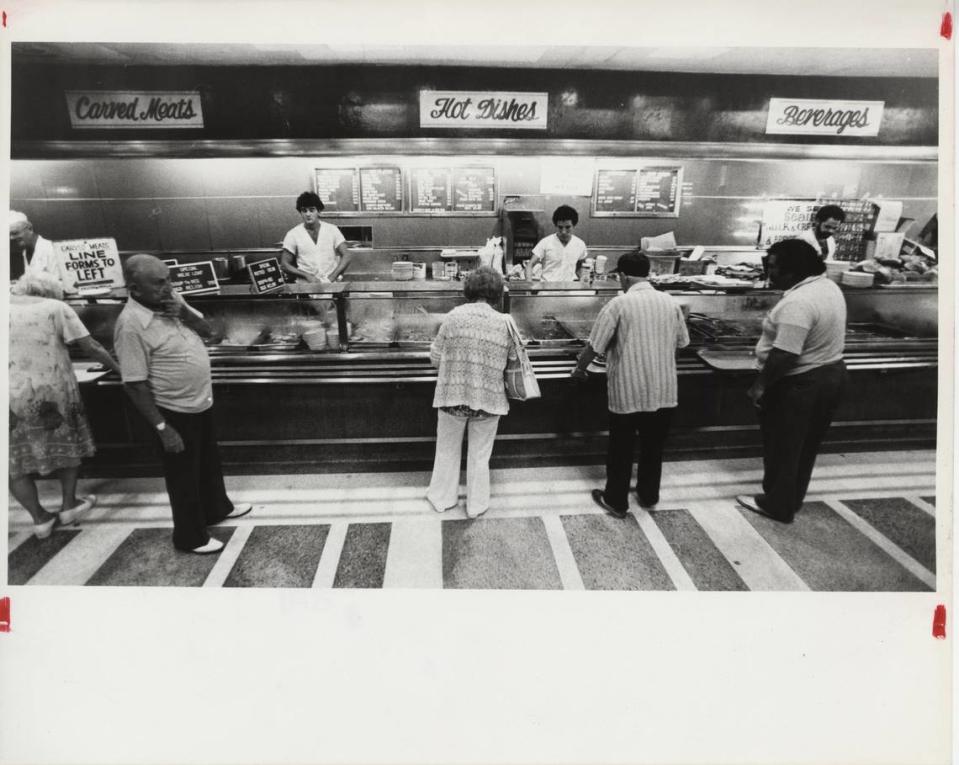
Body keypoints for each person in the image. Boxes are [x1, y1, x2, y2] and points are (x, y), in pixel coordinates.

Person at [114, 254, 252, 554]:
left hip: (199, 400)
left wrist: (184, 313)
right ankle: (190, 537)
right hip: (171, 411)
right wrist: (163, 428)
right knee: (183, 477)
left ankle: (217, 508)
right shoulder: (131, 325)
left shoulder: (172, 301)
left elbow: (211, 331)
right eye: (159, 283)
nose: (168, 287)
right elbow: (134, 385)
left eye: (169, 279)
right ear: (135, 289)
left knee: (207, 463)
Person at [736, 238, 847, 524]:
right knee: (805, 444)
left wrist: (759, 386)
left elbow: (785, 353)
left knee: (782, 445)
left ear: (792, 270)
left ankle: (776, 504)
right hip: (829, 374)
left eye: (773, 267)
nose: (769, 273)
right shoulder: (827, 287)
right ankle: (791, 498)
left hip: (799, 383)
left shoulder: (799, 301)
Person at [571, 250, 689, 518]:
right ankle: (649, 495)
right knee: (653, 446)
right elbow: (681, 344)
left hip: (629, 390)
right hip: (664, 391)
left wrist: (579, 369)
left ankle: (616, 501)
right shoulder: (670, 302)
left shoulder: (619, 304)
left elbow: (595, 346)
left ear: (622, 276)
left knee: (621, 447)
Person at [9, 272, 119, 538]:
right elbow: (90, 346)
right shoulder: (56, 307)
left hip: (8, 396)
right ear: (51, 292)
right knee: (66, 447)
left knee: (14, 461)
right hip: (51, 393)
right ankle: (69, 506)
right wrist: (118, 368)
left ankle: (40, 519)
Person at [426, 266, 517, 519]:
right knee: (479, 455)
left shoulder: (453, 316)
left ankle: (442, 499)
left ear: (469, 290)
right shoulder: (506, 322)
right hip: (489, 399)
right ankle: (476, 505)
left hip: (453, 395)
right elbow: (513, 361)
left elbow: (436, 357)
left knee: (447, 449)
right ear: (498, 293)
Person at [280, 191, 352, 283]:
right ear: (300, 212)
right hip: (306, 285)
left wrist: (332, 276)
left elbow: (347, 255)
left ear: (318, 211)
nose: (308, 214)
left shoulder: (332, 230)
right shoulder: (293, 234)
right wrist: (307, 276)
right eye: (304, 210)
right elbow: (285, 264)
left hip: (331, 283)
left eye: (311, 210)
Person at [528, 204, 588, 281]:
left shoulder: (580, 244)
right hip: (547, 289)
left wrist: (583, 279)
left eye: (567, 227)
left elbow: (580, 266)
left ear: (574, 225)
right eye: (560, 227)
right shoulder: (546, 242)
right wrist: (529, 288)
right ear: (555, 225)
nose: (563, 232)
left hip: (570, 289)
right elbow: (530, 265)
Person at [9, 210, 60, 284]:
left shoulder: (51, 249)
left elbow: (59, 284)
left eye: (15, 233)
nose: (11, 238)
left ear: (30, 228)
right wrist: (20, 283)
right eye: (9, 234)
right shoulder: (25, 251)